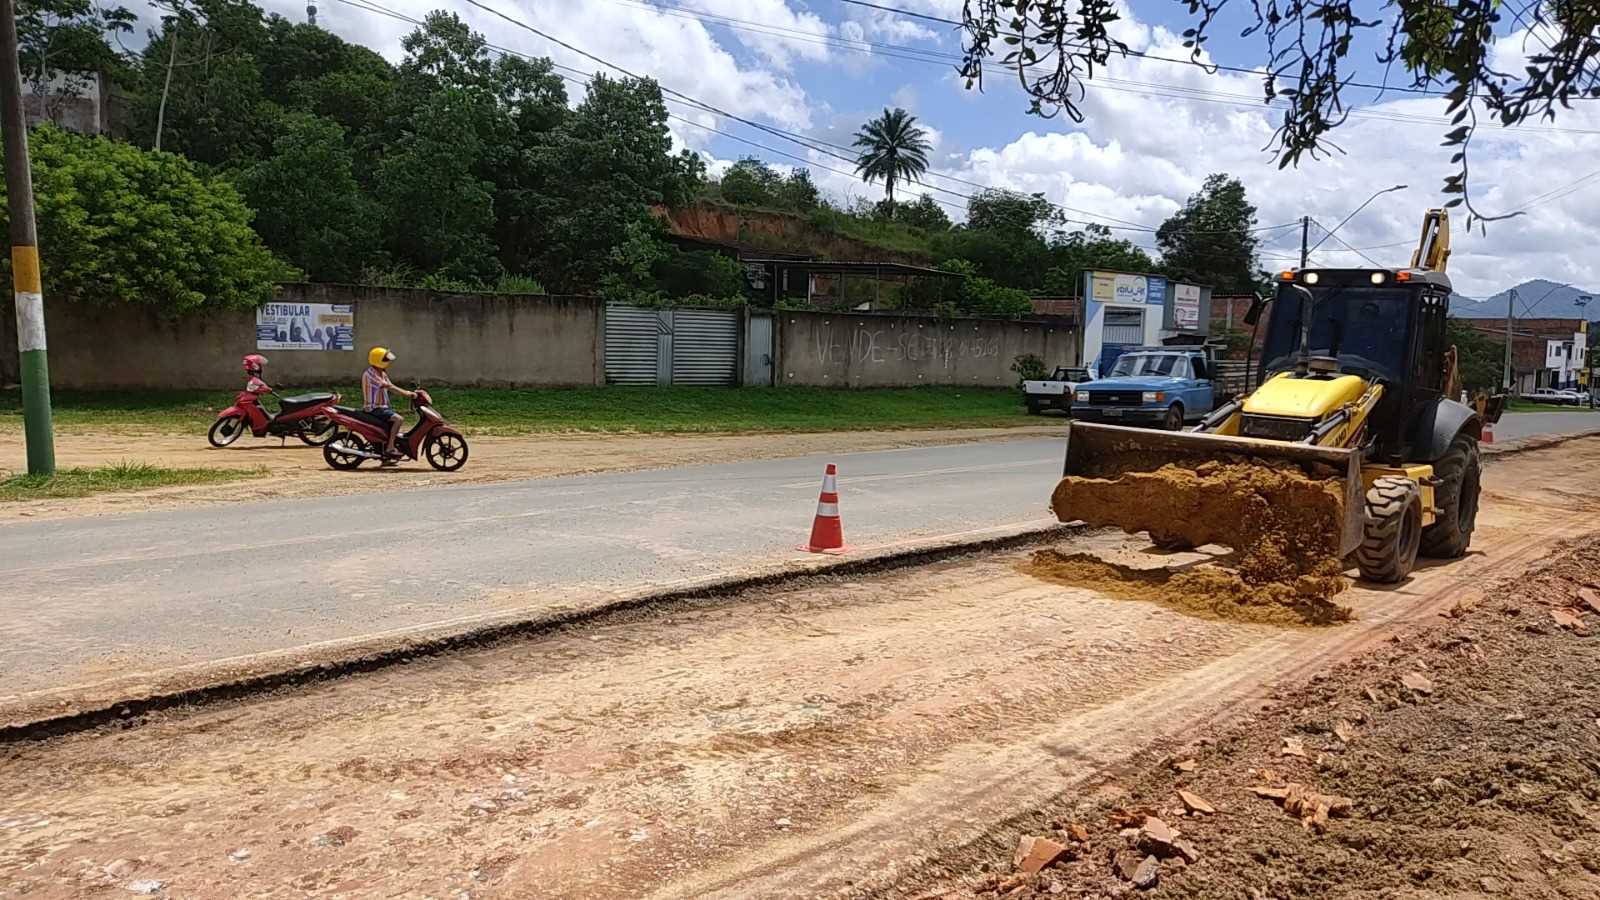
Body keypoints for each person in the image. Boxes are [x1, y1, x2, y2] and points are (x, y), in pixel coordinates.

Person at [363, 346, 414, 464]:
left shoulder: (381, 373)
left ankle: (385, 456)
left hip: (382, 407)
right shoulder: (371, 374)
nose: (388, 362)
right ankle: (390, 447)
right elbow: (389, 387)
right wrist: (407, 394)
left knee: (390, 424)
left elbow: (391, 387)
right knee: (398, 419)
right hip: (374, 408)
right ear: (378, 360)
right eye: (385, 359)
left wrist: (408, 393)